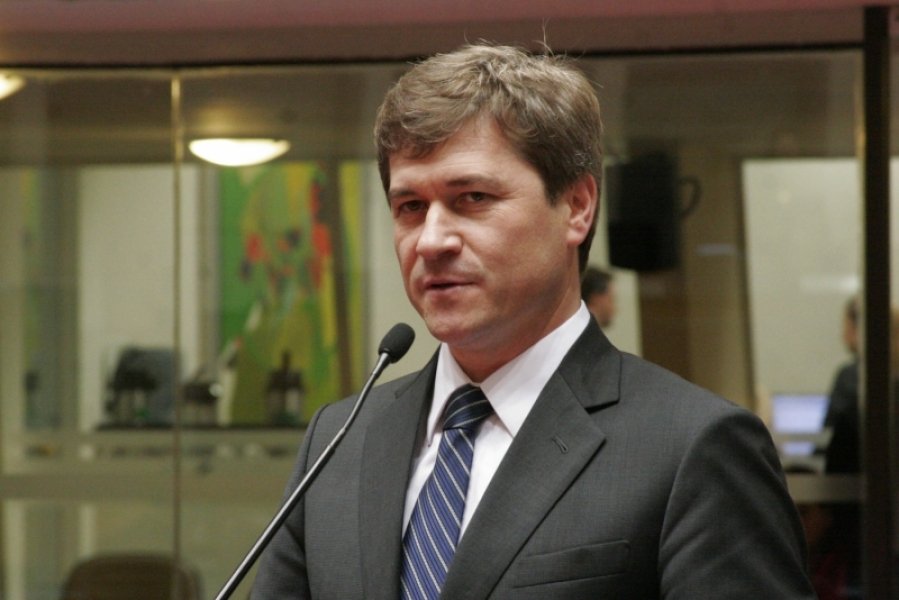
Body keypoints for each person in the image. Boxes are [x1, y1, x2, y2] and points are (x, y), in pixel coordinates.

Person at [252, 43, 813, 599]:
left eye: (473, 197)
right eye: (410, 207)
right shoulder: (340, 439)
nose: (431, 241)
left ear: (577, 207)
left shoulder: (693, 446)